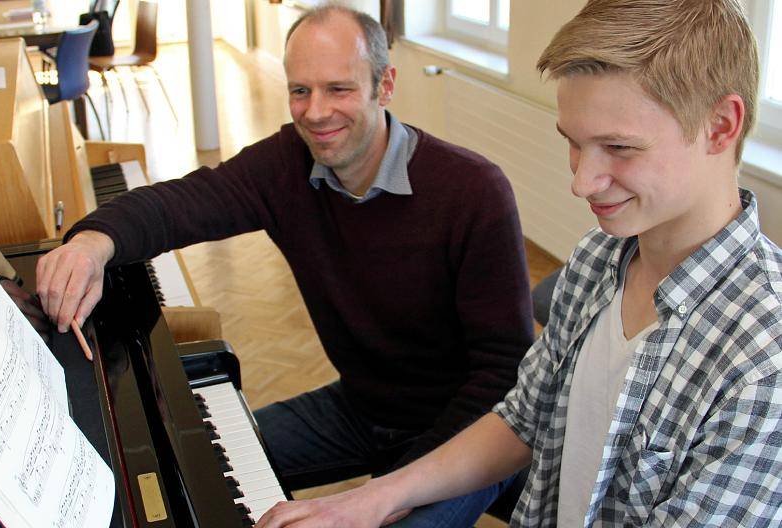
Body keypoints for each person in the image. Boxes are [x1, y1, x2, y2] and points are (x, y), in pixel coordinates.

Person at [255, 0, 782, 526]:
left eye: (619, 147)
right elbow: (523, 419)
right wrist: (375, 499)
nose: (581, 182)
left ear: (721, 125)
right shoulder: (598, 259)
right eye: (574, 144)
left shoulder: (764, 363)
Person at [35, 4, 533, 525]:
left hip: (465, 433)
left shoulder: (473, 192)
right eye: (300, 90)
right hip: (363, 407)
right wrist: (93, 241)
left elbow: (504, 376)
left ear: (384, 85)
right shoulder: (286, 163)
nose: (315, 113)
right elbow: (182, 203)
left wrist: (389, 489)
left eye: (338, 89)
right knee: (192, 459)